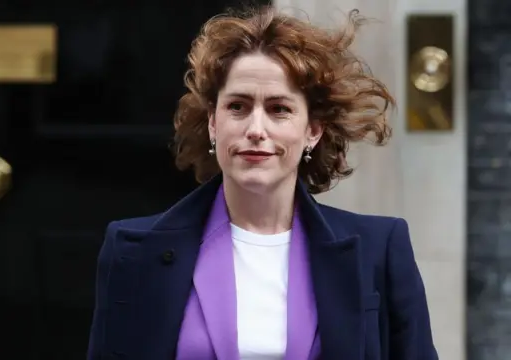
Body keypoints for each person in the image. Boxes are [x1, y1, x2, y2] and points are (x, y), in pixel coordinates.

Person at [87, 6, 437, 360]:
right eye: (237, 107)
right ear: (213, 123)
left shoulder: (378, 250)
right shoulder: (131, 251)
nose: (256, 129)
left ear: (312, 131)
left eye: (279, 109)